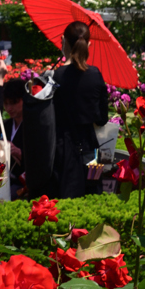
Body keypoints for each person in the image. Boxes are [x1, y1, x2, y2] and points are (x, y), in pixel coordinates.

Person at [52, 21, 109, 198]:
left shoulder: (57, 76)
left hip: (63, 151)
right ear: (89, 44)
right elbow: (102, 119)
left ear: (63, 41)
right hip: (92, 150)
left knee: (66, 198)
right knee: (94, 194)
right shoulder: (95, 74)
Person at [1, 78, 27, 196]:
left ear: (24, 100)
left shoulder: (33, 126)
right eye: (6, 103)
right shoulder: (4, 125)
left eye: (14, 102)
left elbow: (42, 158)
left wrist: (20, 153)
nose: (9, 108)